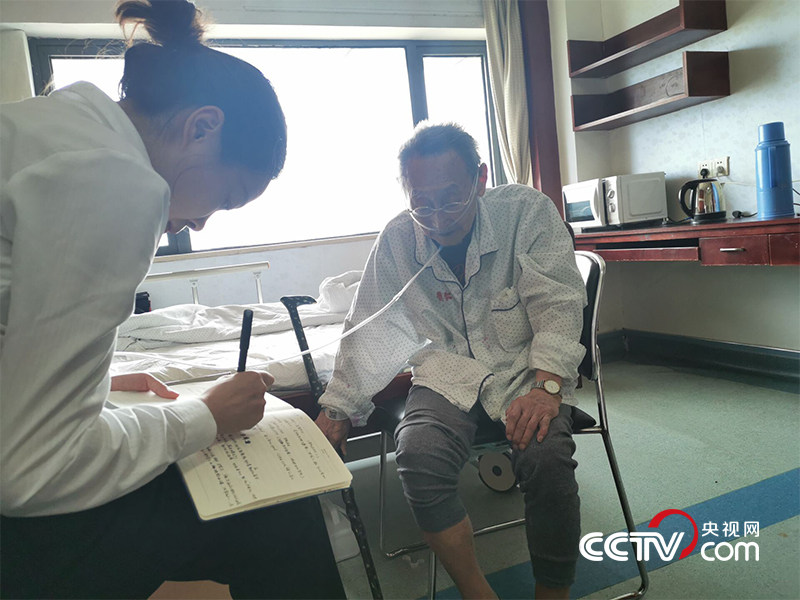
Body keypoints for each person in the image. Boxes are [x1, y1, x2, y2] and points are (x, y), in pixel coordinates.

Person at [0, 1, 345, 598]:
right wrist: (204, 417)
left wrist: (90, 386)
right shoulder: (115, 181)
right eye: (227, 197)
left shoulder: (59, 127)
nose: (204, 224)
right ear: (202, 126)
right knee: (278, 512)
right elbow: (33, 470)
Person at [315, 122, 587, 599]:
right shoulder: (398, 240)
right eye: (422, 204)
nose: (438, 218)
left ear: (480, 179)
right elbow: (371, 327)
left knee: (547, 460)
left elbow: (558, 305)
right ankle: (477, 592)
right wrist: (338, 408)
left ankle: (553, 594)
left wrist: (547, 387)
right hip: (446, 374)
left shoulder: (526, 213)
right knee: (417, 455)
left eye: (450, 199)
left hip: (525, 371)